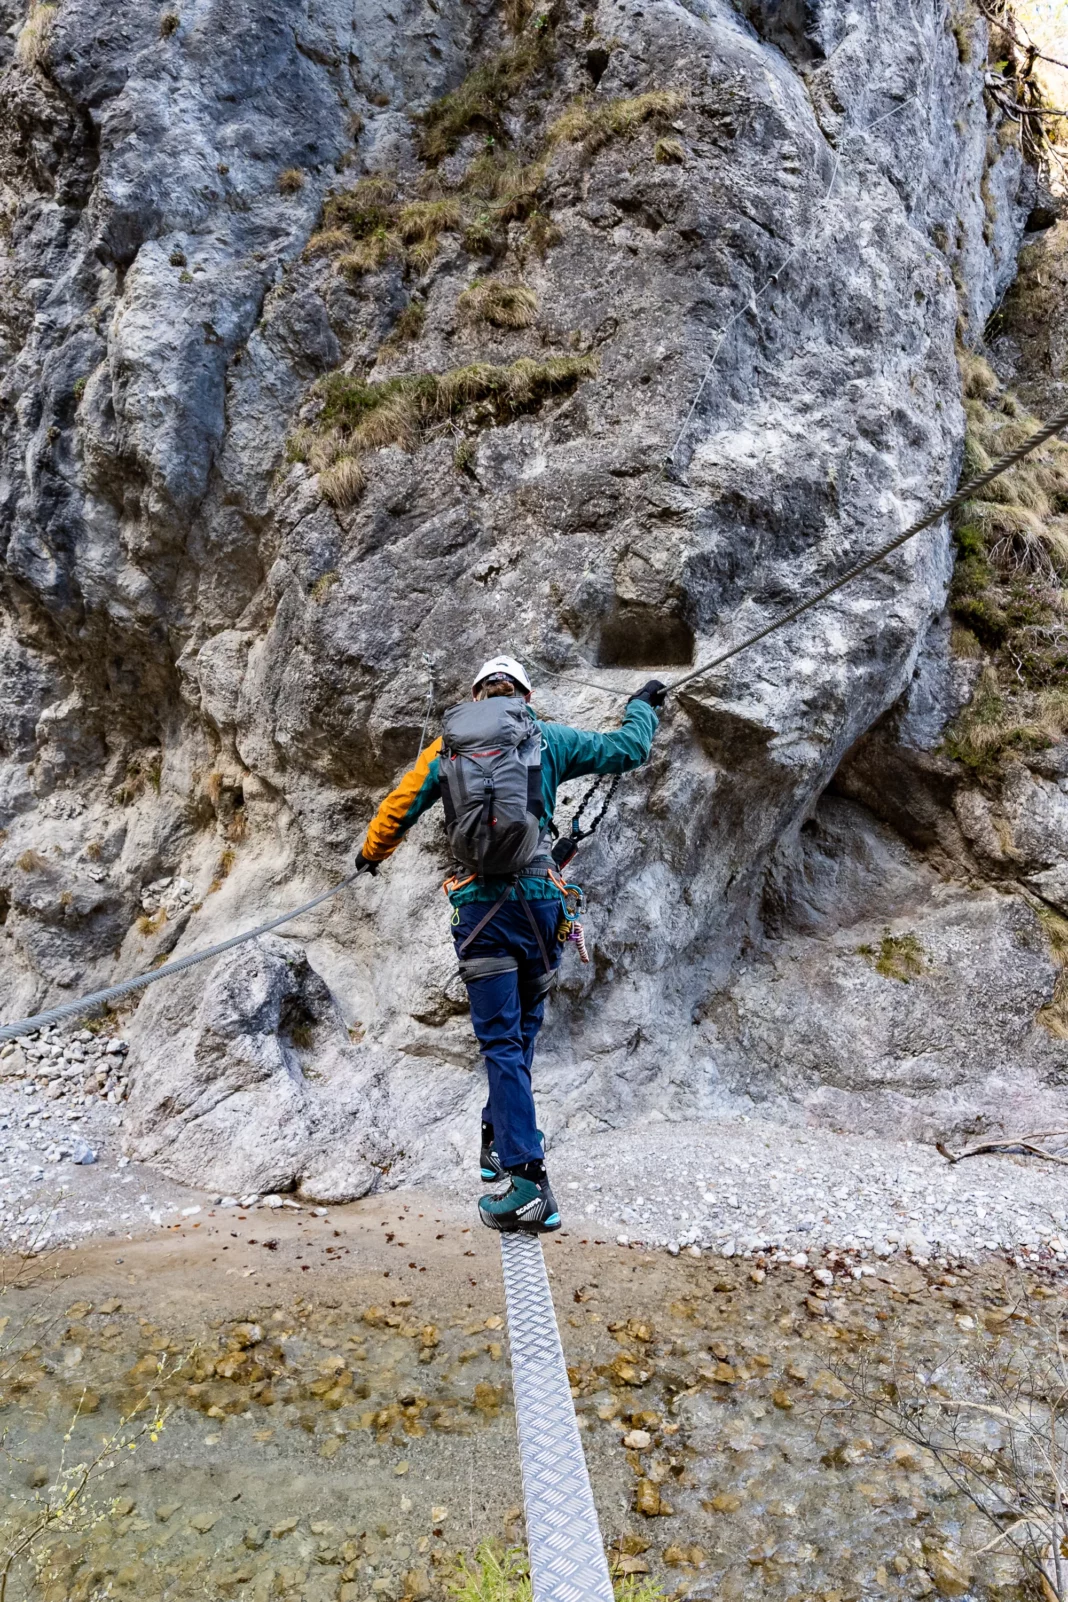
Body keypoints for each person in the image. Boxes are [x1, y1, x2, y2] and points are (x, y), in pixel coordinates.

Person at [355, 655, 665, 1234]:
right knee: (519, 1036)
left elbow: (399, 806)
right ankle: (502, 1144)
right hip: (542, 906)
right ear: (524, 696)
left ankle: (527, 1182)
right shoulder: (547, 738)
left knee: (500, 1041)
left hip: (481, 912)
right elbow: (629, 749)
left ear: (476, 696)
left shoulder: (448, 748)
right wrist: (643, 706)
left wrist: (371, 855)